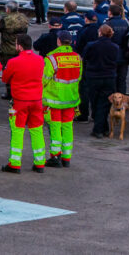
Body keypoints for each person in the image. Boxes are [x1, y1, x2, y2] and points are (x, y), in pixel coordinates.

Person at [1, 34, 46, 173]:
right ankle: (40, 162)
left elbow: (5, 78)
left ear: (19, 46)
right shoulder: (40, 60)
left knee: (17, 131)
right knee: (37, 130)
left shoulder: (14, 61)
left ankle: (15, 163)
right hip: (37, 100)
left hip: (20, 101)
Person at [42, 32, 82, 168]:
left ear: (58, 41)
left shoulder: (52, 59)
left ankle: (55, 156)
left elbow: (44, 79)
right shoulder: (77, 58)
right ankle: (66, 157)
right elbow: (79, 76)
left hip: (54, 100)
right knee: (67, 127)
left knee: (55, 127)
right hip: (71, 99)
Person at [82, 25, 121, 138]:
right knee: (104, 104)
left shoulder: (91, 45)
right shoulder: (115, 47)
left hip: (94, 77)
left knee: (95, 103)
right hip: (109, 77)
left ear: (100, 33)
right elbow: (117, 61)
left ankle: (98, 129)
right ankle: (104, 128)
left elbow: (85, 58)